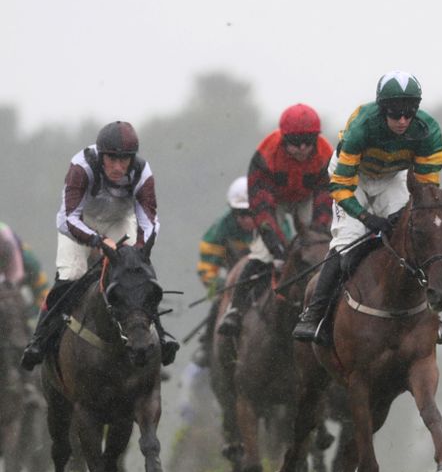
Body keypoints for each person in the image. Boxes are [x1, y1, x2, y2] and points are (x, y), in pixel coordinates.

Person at [292, 70, 442, 345]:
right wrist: (366, 217)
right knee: (348, 243)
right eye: (394, 114)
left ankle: (433, 313)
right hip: (353, 177)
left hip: (393, 177)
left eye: (408, 113)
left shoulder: (429, 131)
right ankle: (314, 314)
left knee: (413, 236)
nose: (402, 121)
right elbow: (340, 186)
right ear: (382, 109)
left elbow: (425, 191)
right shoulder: (362, 126)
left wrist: (405, 216)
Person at [20, 121, 178, 371]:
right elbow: (69, 217)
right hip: (80, 223)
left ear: (132, 158)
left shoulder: (142, 172)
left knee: (136, 272)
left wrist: (139, 249)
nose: (117, 167)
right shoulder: (81, 167)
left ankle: (161, 334)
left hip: (119, 220)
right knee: (72, 275)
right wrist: (96, 240)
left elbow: (149, 220)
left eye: (124, 160)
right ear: (100, 155)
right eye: (111, 159)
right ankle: (39, 339)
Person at [217, 103, 334, 337]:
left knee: (325, 244)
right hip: (274, 201)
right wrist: (279, 251)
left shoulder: (326, 154)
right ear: (283, 138)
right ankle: (235, 309)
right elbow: (262, 211)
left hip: (307, 197)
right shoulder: (265, 155)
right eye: (294, 142)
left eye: (308, 141)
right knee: (263, 252)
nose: (302, 148)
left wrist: (318, 234)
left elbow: (325, 198)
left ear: (316, 139)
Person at [191, 177, 257, 366]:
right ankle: (207, 345)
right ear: (233, 211)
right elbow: (206, 270)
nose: (247, 219)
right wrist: (222, 286)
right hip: (233, 284)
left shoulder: (274, 222)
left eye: (251, 213)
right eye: (241, 213)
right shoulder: (220, 229)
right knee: (218, 303)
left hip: (270, 280)